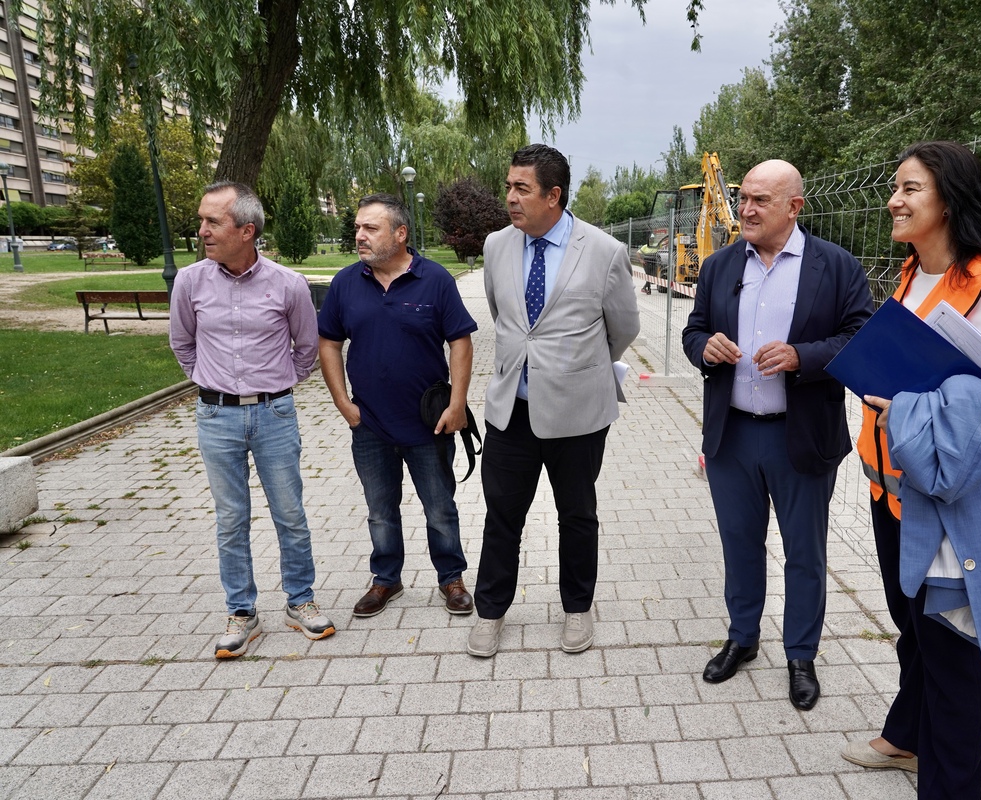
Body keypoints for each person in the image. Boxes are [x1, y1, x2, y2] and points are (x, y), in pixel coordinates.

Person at [840, 141, 981, 799]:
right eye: (896, 188)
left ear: (949, 201)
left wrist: (915, 413)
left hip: (955, 512)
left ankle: (951, 783)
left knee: (954, 656)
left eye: (910, 189)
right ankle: (907, 734)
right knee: (913, 627)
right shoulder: (915, 273)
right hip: (897, 495)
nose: (893, 201)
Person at [681, 159, 874, 709]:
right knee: (740, 544)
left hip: (801, 436)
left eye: (760, 200)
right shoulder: (719, 266)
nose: (745, 209)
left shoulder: (834, 267)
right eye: (743, 198)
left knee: (804, 552)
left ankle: (801, 653)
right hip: (732, 437)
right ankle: (742, 638)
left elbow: (859, 338)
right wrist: (704, 348)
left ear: (795, 207)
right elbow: (694, 330)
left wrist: (801, 357)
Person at [467, 143, 641, 658]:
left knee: (577, 513)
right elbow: (505, 317)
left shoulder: (604, 250)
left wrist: (575, 368)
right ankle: (490, 612)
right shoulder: (498, 245)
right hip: (511, 408)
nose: (511, 198)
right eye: (508, 187)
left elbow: (624, 327)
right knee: (502, 515)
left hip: (578, 412)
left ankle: (577, 609)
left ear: (554, 195)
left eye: (522, 189)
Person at [170, 181, 334, 659]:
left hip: (274, 414)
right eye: (201, 220)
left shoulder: (288, 284)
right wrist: (208, 381)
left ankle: (300, 600)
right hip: (215, 415)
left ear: (246, 230)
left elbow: (307, 348)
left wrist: (278, 385)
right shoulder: (190, 282)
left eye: (212, 221)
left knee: (290, 513)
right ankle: (241, 612)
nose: (202, 230)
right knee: (230, 519)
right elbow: (183, 343)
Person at [317, 194, 478, 618]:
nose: (359, 236)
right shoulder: (346, 283)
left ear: (400, 233)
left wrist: (457, 403)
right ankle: (386, 579)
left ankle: (452, 578)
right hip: (368, 424)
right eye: (357, 228)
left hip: (428, 423)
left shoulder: (436, 280)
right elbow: (329, 343)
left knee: (440, 507)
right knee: (379, 511)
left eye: (371, 228)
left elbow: (460, 341)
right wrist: (342, 404)